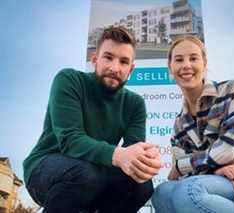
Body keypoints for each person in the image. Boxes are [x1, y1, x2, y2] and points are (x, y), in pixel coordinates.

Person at [23, 26, 162, 213]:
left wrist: (145, 160)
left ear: (131, 69)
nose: (115, 68)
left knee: (141, 186)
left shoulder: (135, 103)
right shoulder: (69, 80)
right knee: (87, 175)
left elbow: (133, 154)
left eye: (123, 62)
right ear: (95, 59)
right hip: (45, 167)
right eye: (108, 57)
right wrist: (119, 155)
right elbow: (70, 140)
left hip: (96, 172)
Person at [151, 36, 234, 213]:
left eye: (193, 58)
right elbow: (181, 175)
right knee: (162, 193)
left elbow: (232, 152)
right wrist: (216, 169)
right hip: (217, 183)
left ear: (205, 64)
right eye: (179, 59)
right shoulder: (179, 125)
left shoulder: (232, 91)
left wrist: (185, 165)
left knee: (189, 191)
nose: (186, 65)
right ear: (170, 68)